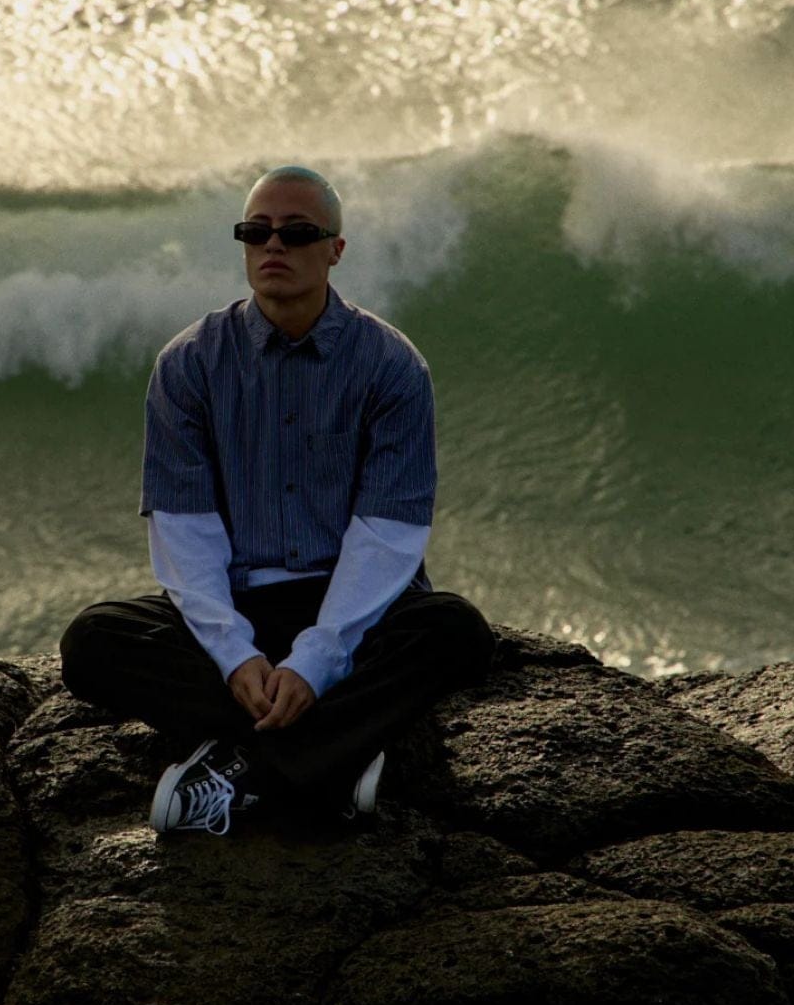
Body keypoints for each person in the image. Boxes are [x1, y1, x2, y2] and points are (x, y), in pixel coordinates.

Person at [59, 165, 495, 835]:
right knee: (94, 641)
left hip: (353, 607)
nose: (273, 245)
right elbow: (185, 531)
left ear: (335, 249)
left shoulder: (391, 366)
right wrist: (234, 654)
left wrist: (318, 660)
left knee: (455, 632)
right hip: (240, 606)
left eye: (296, 232)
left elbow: (387, 536)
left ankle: (249, 772)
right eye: (256, 231)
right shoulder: (189, 363)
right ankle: (333, 761)